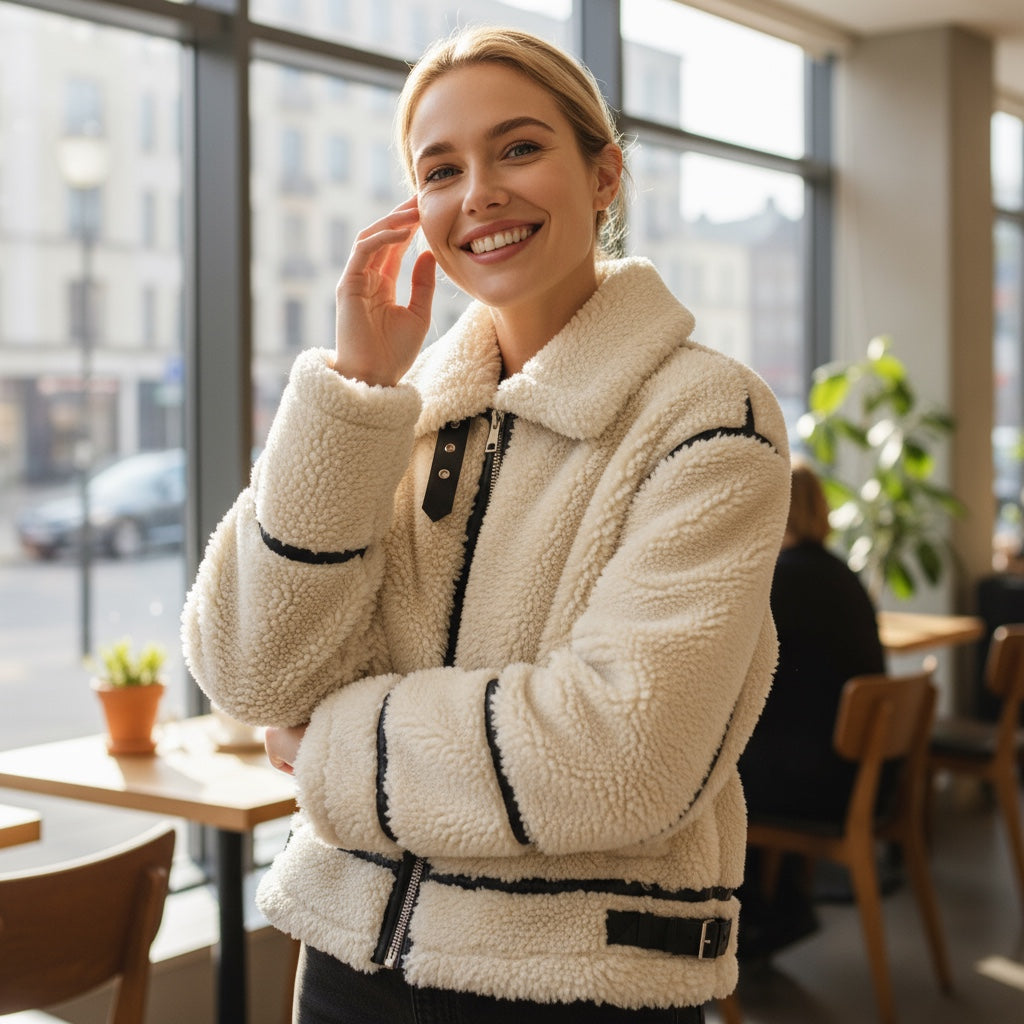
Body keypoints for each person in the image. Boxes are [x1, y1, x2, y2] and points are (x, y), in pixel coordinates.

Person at [182, 25, 790, 1024]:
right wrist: (356, 392)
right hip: (345, 960)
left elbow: (618, 757)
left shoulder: (706, 414)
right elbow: (251, 672)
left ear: (604, 176)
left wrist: (326, 747)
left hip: (573, 977)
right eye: (440, 169)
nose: (479, 195)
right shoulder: (399, 413)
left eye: (518, 149)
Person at [737, 456, 887, 961]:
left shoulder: (779, 582)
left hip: (821, 784)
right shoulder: (842, 575)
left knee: (714, 770)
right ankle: (778, 905)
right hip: (863, 774)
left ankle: (758, 914)